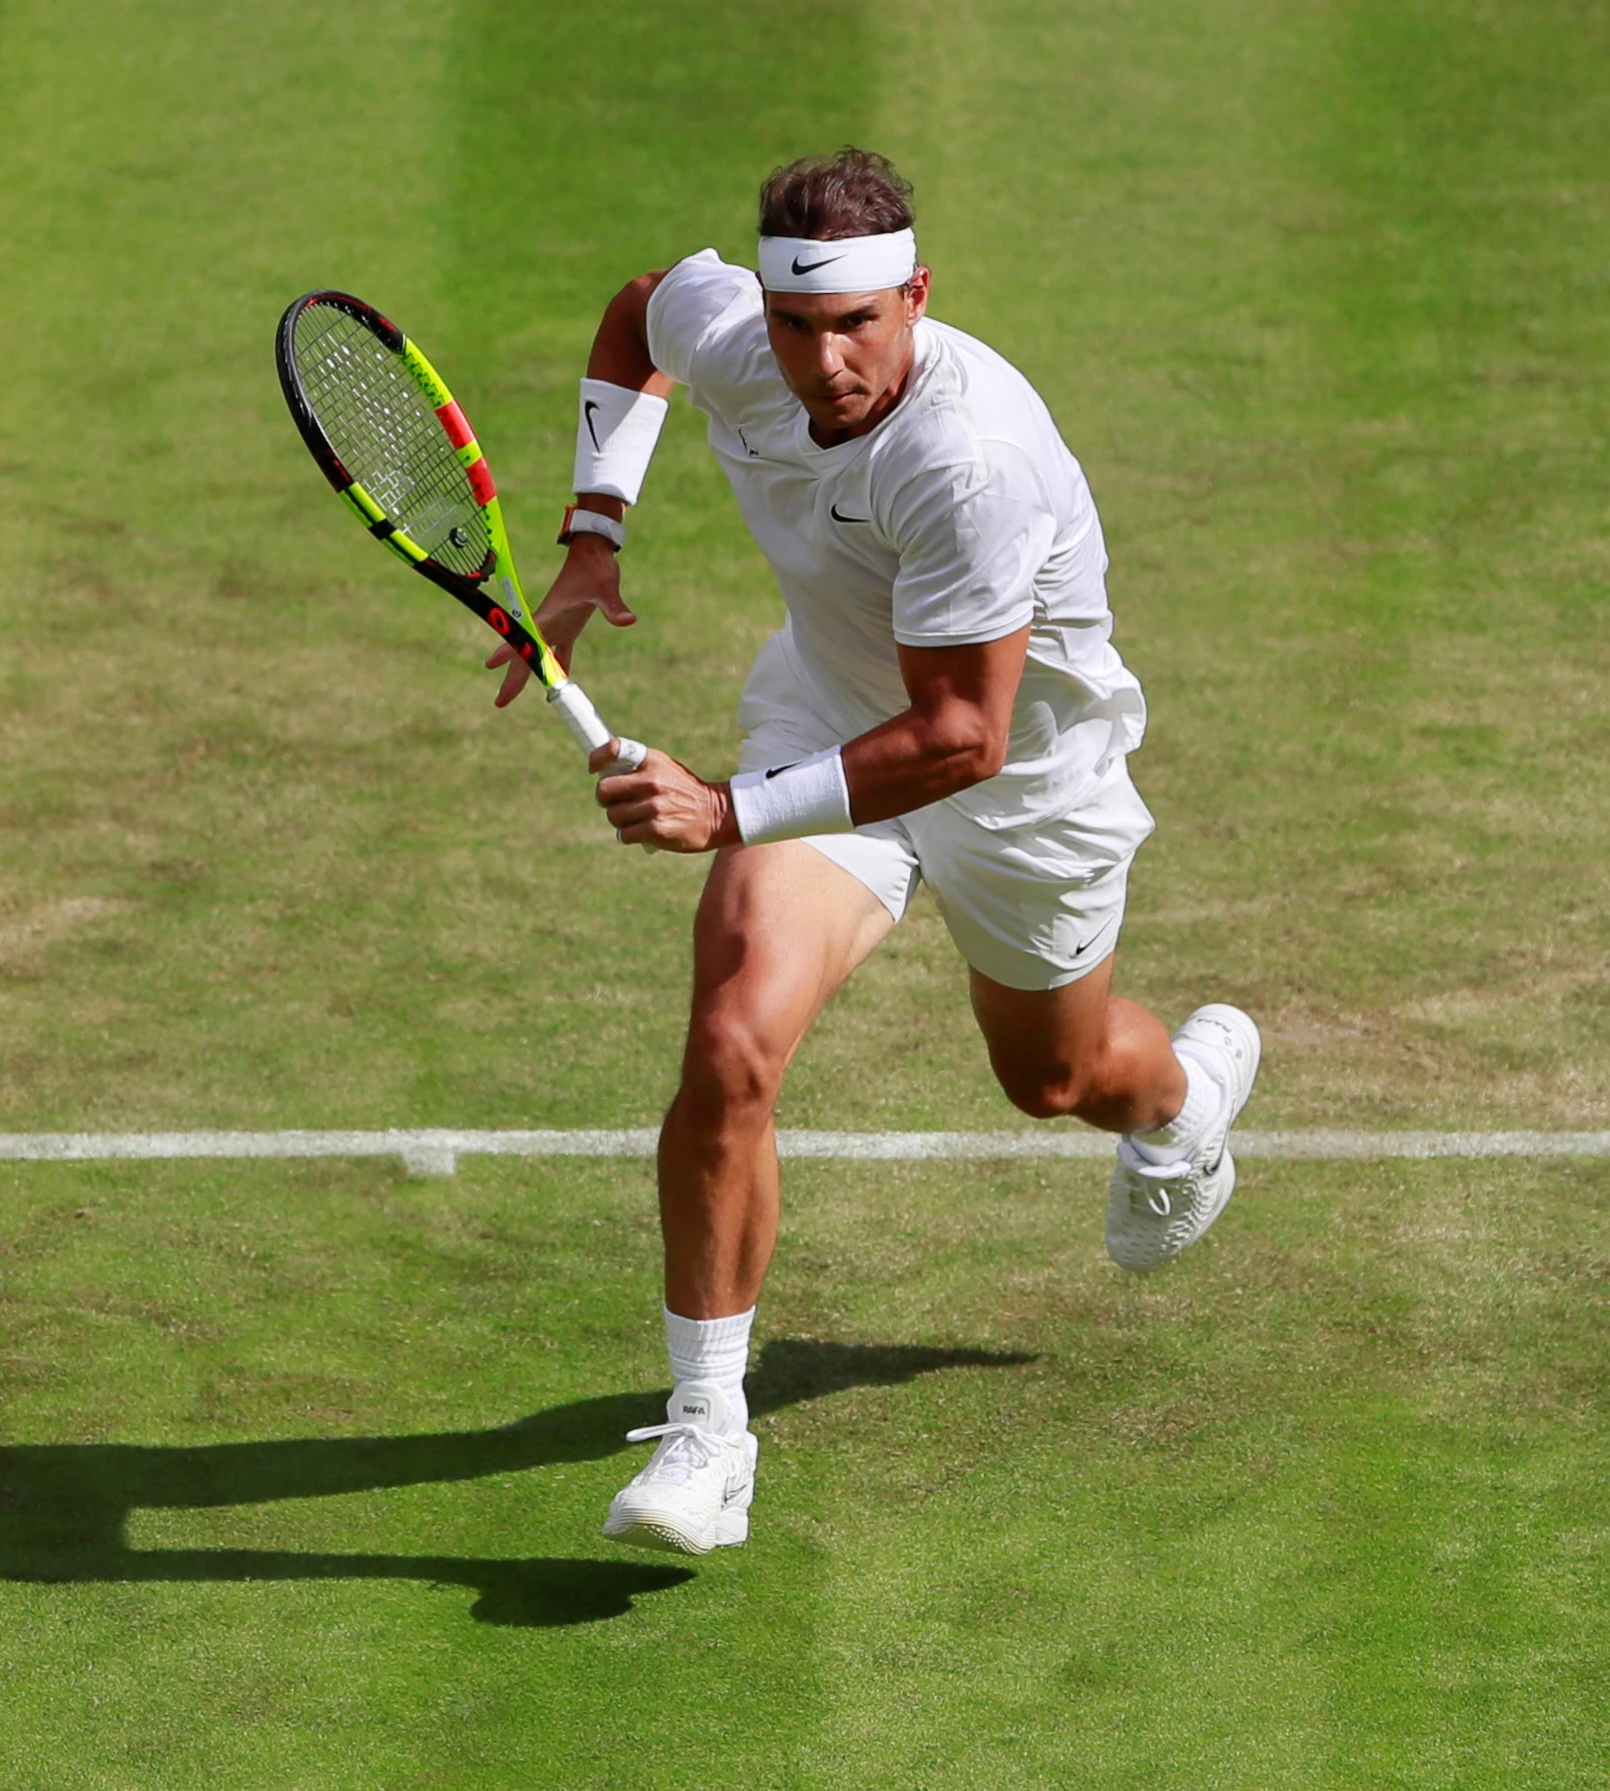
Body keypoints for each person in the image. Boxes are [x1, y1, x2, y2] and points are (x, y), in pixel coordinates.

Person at [489, 148, 1259, 1556]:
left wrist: (723, 809)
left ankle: (1184, 1099)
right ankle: (710, 1432)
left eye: (858, 323)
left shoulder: (969, 461)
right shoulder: (739, 334)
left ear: (916, 295)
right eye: (796, 327)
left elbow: (962, 734)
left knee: (1057, 1076)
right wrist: (594, 531)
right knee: (730, 1046)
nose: (824, 360)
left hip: (1022, 782)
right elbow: (635, 311)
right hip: (830, 711)